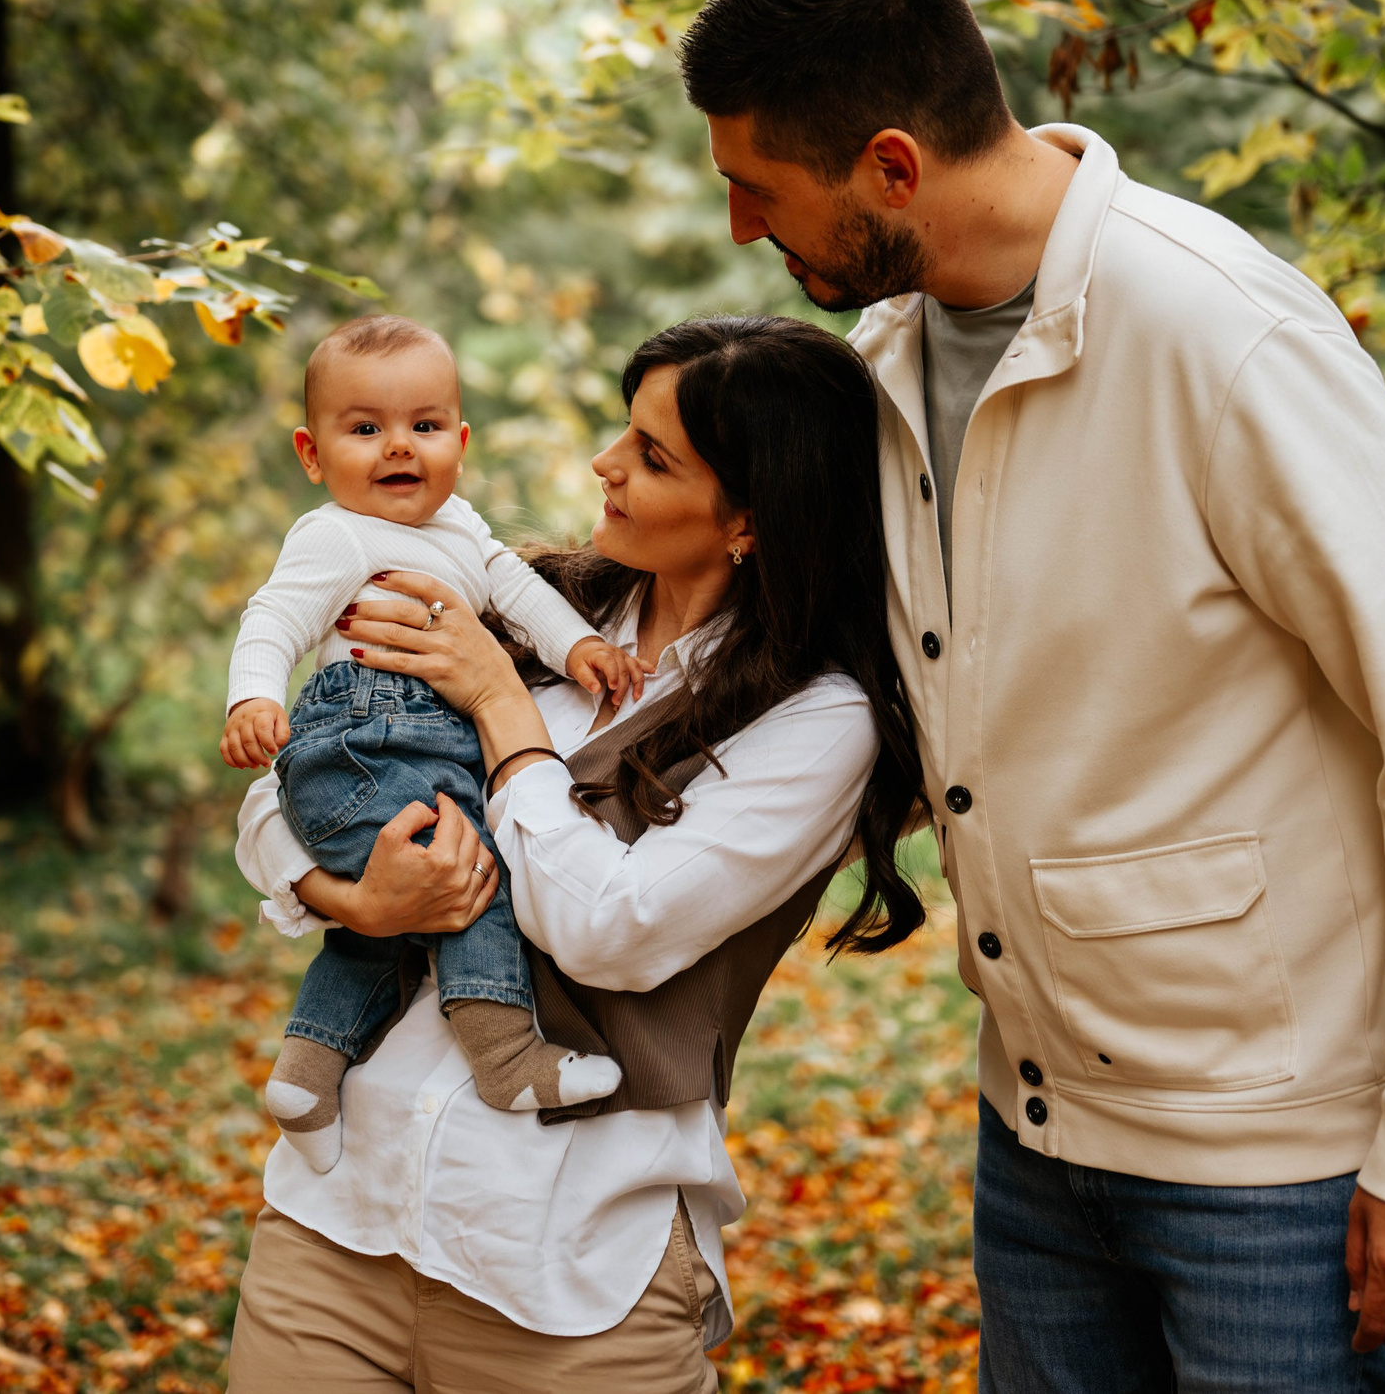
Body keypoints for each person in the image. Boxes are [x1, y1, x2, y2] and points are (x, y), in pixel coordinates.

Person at [677, 0, 1385, 1392]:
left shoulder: (1219, 334)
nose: (741, 230)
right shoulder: (887, 365)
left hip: (1272, 1166)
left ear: (892, 167)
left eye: (758, 190)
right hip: (1031, 1145)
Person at [222, 316, 926, 1392]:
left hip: (564, 1274)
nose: (605, 465)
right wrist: (344, 896)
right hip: (336, 1233)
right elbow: (293, 782)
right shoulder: (533, 611)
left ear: (748, 519)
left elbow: (610, 929)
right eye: (622, 434)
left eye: (652, 457)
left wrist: (501, 711)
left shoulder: (813, 723)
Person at [220, 314, 642, 1169]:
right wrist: (254, 697)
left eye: (423, 426)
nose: (398, 448)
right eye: (365, 429)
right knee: (472, 862)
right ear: (311, 453)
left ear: (461, 439)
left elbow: (520, 593)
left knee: (392, 918)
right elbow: (272, 617)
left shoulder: (462, 533)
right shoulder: (334, 533)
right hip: (365, 736)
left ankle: (307, 1070)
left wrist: (580, 648)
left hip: (410, 744)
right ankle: (504, 1052)